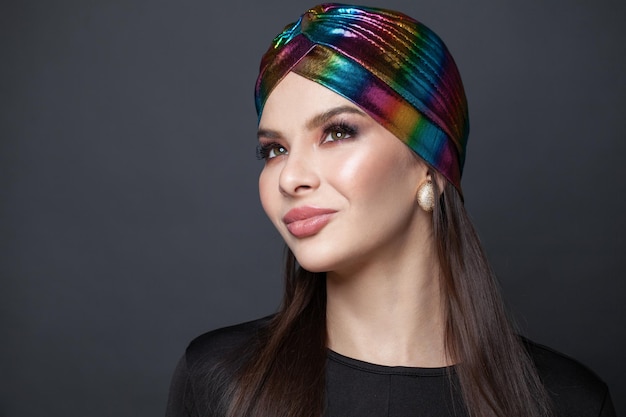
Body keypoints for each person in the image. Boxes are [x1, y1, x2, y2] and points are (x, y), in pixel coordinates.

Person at [165, 4, 615, 417]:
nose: (288, 177)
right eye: (274, 149)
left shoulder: (567, 400)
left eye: (337, 132)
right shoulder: (219, 381)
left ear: (431, 164)